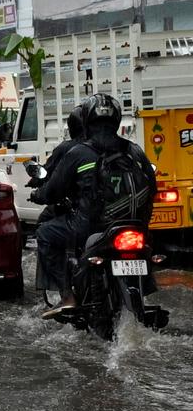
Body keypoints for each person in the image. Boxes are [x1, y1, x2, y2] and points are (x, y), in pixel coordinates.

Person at [31, 93, 156, 318]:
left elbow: (52, 191)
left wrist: (38, 195)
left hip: (89, 227)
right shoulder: (134, 150)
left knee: (44, 233)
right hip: (134, 226)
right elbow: (152, 186)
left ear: (87, 121)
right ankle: (143, 293)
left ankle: (67, 295)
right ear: (116, 120)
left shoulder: (78, 153)